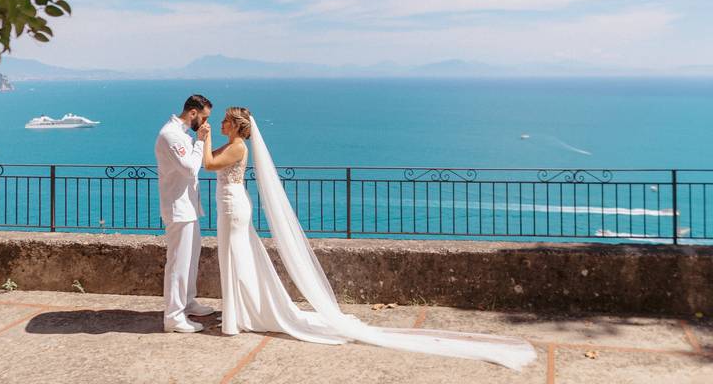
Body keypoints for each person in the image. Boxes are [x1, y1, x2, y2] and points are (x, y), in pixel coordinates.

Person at [198, 107, 537, 370]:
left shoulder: (237, 148)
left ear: (237, 126)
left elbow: (209, 165)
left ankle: (241, 314)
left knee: (237, 258)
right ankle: (241, 312)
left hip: (233, 209)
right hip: (231, 207)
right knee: (238, 259)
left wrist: (204, 136)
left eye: (227, 120)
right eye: (223, 120)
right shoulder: (237, 144)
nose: (223, 123)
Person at [154, 94, 215, 333]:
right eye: (205, 117)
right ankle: (174, 316)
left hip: (188, 207)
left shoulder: (181, 134)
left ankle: (187, 302)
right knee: (178, 263)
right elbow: (190, 168)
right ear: (193, 113)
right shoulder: (171, 134)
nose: (206, 122)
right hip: (178, 209)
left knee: (190, 260)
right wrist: (200, 142)